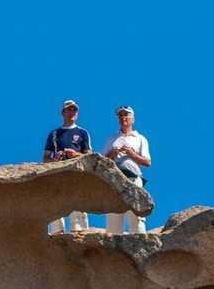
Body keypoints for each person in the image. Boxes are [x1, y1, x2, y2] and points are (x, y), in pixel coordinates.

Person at [43, 99, 91, 234]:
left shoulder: (82, 133)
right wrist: (54, 160)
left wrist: (75, 154)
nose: (72, 112)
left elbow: (89, 156)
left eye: (74, 110)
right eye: (69, 109)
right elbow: (45, 158)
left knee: (76, 200)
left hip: (76, 172)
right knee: (56, 200)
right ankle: (57, 232)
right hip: (58, 171)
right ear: (62, 112)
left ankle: (78, 231)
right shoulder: (53, 134)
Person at [101, 106, 151, 233]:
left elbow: (147, 162)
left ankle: (139, 240)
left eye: (126, 115)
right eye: (120, 115)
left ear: (132, 119)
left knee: (135, 210)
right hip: (114, 178)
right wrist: (111, 155)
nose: (123, 117)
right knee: (113, 212)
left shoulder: (140, 138)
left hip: (133, 177)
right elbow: (101, 162)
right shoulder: (111, 138)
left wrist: (131, 154)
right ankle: (113, 244)